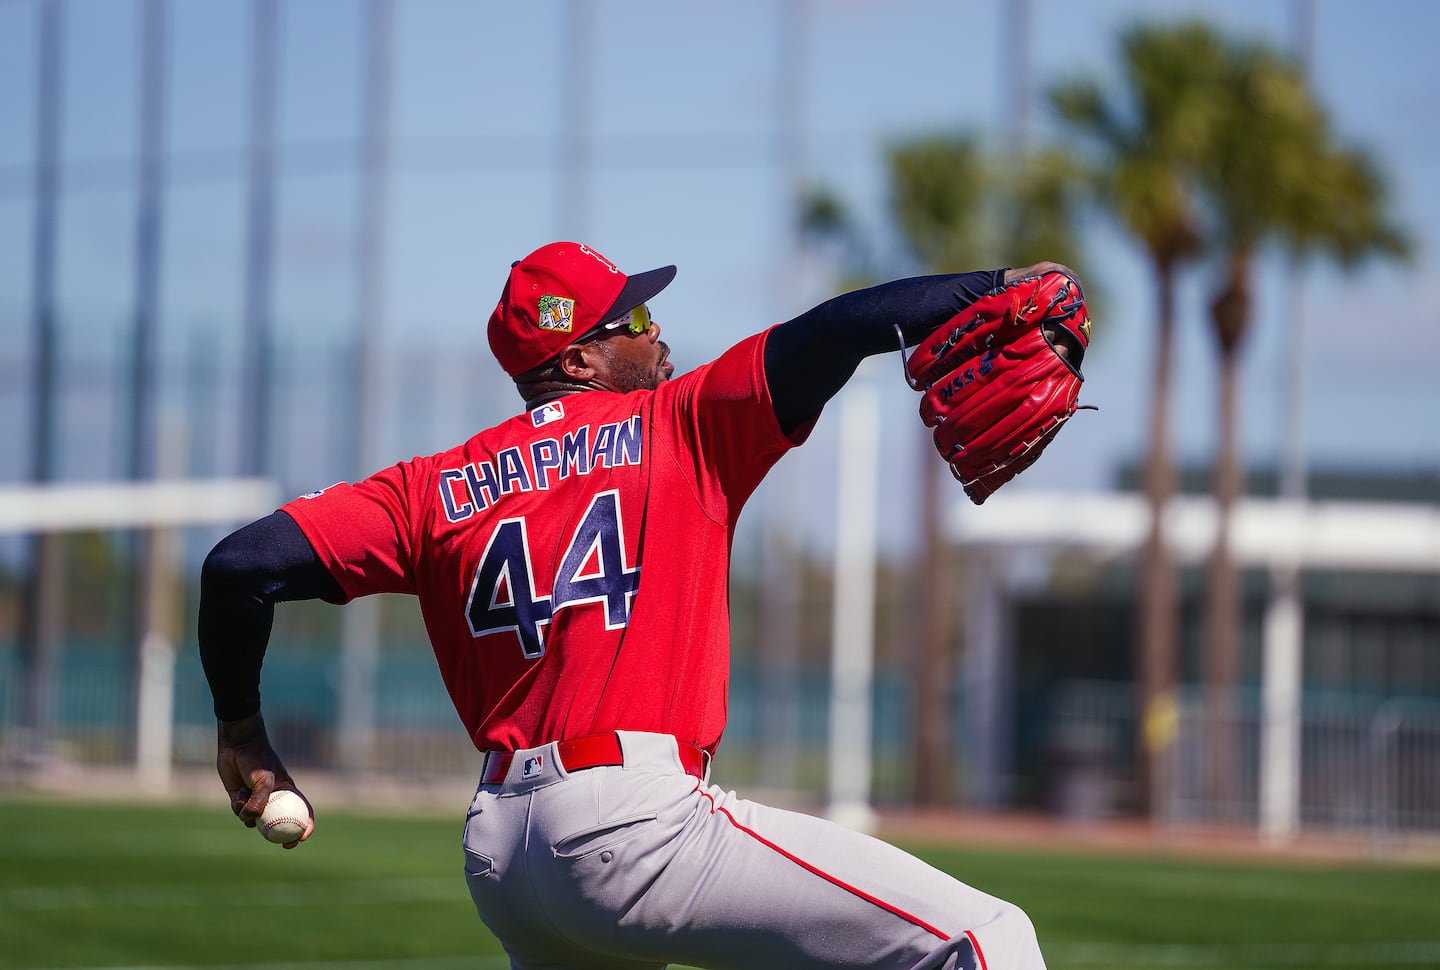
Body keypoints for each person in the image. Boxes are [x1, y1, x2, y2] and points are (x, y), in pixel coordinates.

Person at [199, 240, 1057, 970]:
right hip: (633, 823)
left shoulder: (431, 489)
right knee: (985, 937)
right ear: (579, 361)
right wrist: (993, 288)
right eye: (635, 324)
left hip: (503, 853)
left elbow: (240, 566)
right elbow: (831, 330)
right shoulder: (676, 424)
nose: (658, 336)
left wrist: (242, 732)